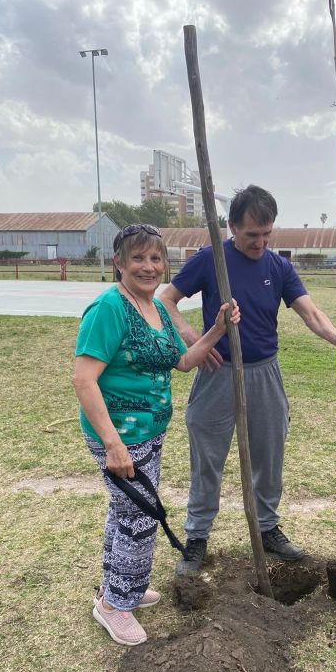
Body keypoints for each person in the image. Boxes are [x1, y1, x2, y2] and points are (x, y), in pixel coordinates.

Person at [161, 185, 336, 575]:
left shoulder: (278, 267)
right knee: (207, 460)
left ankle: (267, 528)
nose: (260, 242)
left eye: (267, 234)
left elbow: (309, 312)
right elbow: (165, 300)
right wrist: (196, 341)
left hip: (265, 373)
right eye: (252, 234)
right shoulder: (210, 260)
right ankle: (197, 537)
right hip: (218, 374)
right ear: (232, 226)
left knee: (269, 458)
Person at [72, 223, 239, 645]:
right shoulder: (109, 309)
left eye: (156, 259)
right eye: (139, 258)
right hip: (120, 436)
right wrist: (113, 444)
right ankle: (115, 606)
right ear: (118, 263)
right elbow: (84, 380)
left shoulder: (156, 308)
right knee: (139, 519)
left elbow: (183, 362)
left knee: (126, 512)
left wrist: (217, 329)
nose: (149, 267)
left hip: (150, 432)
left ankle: (118, 588)